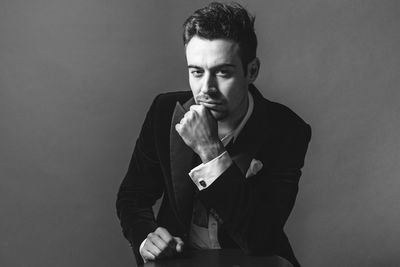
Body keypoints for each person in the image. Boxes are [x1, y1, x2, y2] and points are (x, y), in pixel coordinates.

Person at [116, 2, 311, 266]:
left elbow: (260, 239)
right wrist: (145, 239)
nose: (206, 88)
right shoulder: (164, 112)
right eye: (196, 72)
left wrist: (210, 150)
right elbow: (132, 197)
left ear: (251, 71)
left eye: (222, 72)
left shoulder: (287, 129)